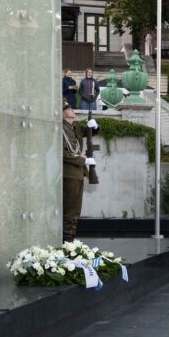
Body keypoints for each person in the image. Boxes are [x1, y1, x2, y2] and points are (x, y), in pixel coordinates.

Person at [62, 100, 99, 242]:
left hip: (78, 173)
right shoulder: (60, 128)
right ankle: (67, 240)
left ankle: (71, 237)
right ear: (62, 113)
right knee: (70, 209)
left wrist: (94, 127)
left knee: (76, 209)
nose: (72, 109)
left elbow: (88, 132)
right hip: (68, 173)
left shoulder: (75, 126)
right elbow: (62, 153)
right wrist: (83, 161)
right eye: (68, 108)